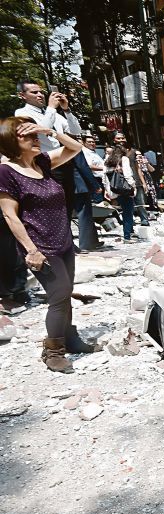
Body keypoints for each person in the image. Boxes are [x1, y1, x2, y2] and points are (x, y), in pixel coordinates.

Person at [0, 116, 96, 372]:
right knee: (59, 294)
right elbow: (10, 215)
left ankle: (71, 338)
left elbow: (75, 149)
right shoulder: (6, 172)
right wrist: (31, 250)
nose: (35, 139)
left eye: (36, 135)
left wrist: (49, 131)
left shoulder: (42, 163)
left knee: (65, 293)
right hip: (40, 247)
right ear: (11, 140)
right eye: (28, 135)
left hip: (63, 240)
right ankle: (52, 350)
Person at [14, 81, 82, 224]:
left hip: (64, 162)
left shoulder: (53, 114)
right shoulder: (21, 113)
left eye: (41, 92)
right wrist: (51, 108)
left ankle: (67, 239)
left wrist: (67, 109)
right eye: (34, 92)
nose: (40, 95)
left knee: (68, 204)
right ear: (22, 95)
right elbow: (40, 133)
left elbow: (75, 131)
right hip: (44, 163)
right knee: (53, 207)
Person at [105, 135, 143, 242]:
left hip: (115, 189)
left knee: (126, 211)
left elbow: (105, 177)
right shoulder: (124, 159)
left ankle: (130, 231)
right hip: (125, 189)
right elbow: (127, 175)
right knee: (128, 212)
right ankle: (127, 236)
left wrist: (107, 190)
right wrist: (133, 185)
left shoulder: (108, 161)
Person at [71, 137, 104, 250]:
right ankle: (85, 244)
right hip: (79, 186)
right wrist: (95, 185)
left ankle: (93, 241)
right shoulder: (74, 148)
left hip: (67, 186)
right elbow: (83, 167)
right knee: (84, 215)